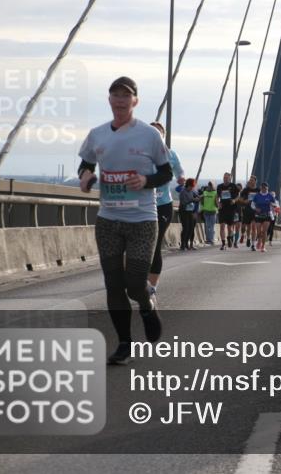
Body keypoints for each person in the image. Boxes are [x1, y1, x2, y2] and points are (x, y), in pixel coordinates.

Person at [78, 77, 170, 364]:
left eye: (126, 96)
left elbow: (166, 173)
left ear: (135, 102)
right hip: (108, 220)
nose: (120, 100)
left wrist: (146, 179)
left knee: (134, 283)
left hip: (143, 219)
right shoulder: (97, 134)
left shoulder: (149, 135)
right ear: (109, 100)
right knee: (114, 285)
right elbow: (86, 162)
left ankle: (146, 306)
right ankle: (124, 345)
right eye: (115, 95)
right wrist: (85, 176)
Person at [146, 122, 183, 300]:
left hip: (163, 205)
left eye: (157, 133)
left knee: (155, 242)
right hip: (142, 205)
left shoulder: (171, 154)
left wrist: (182, 179)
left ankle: (152, 286)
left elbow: (180, 173)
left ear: (163, 136)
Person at [216, 173, 239, 249]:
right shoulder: (220, 186)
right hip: (222, 209)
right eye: (224, 177)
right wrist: (218, 203)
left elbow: (238, 196)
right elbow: (217, 196)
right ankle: (223, 244)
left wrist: (234, 200)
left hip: (231, 208)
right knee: (222, 226)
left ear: (230, 179)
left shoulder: (233, 186)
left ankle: (229, 238)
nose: (225, 179)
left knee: (230, 227)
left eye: (227, 178)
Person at [251, 183, 275, 251]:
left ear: (267, 188)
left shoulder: (270, 196)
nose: (264, 189)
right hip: (258, 215)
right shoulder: (257, 195)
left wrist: (272, 204)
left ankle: (263, 246)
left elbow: (275, 204)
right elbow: (252, 204)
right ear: (261, 188)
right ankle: (259, 241)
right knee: (258, 232)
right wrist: (256, 209)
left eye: (265, 188)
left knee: (264, 231)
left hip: (267, 215)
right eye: (263, 188)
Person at [178, 178, 199, 250]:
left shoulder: (192, 191)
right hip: (183, 211)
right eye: (191, 187)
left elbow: (196, 196)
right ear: (188, 185)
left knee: (191, 228)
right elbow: (184, 202)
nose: (192, 188)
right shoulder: (183, 191)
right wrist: (193, 200)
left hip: (190, 211)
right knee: (186, 227)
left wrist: (197, 198)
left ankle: (187, 243)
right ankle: (183, 244)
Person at [200, 181, 218, 246]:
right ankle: (210, 240)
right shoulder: (215, 193)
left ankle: (208, 239)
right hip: (211, 211)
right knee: (211, 226)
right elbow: (216, 203)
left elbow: (202, 202)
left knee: (208, 226)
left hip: (208, 211)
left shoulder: (205, 192)